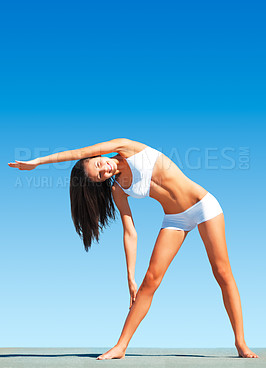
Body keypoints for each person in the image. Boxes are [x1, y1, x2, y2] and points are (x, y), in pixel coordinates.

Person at [8, 138, 259, 359]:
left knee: (221, 272)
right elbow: (130, 232)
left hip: (203, 206)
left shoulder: (126, 147)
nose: (105, 171)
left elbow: (76, 152)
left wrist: (38, 162)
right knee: (150, 280)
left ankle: (240, 342)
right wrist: (130, 276)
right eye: (100, 177)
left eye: (98, 166)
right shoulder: (119, 189)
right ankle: (121, 346)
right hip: (175, 219)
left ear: (96, 156)